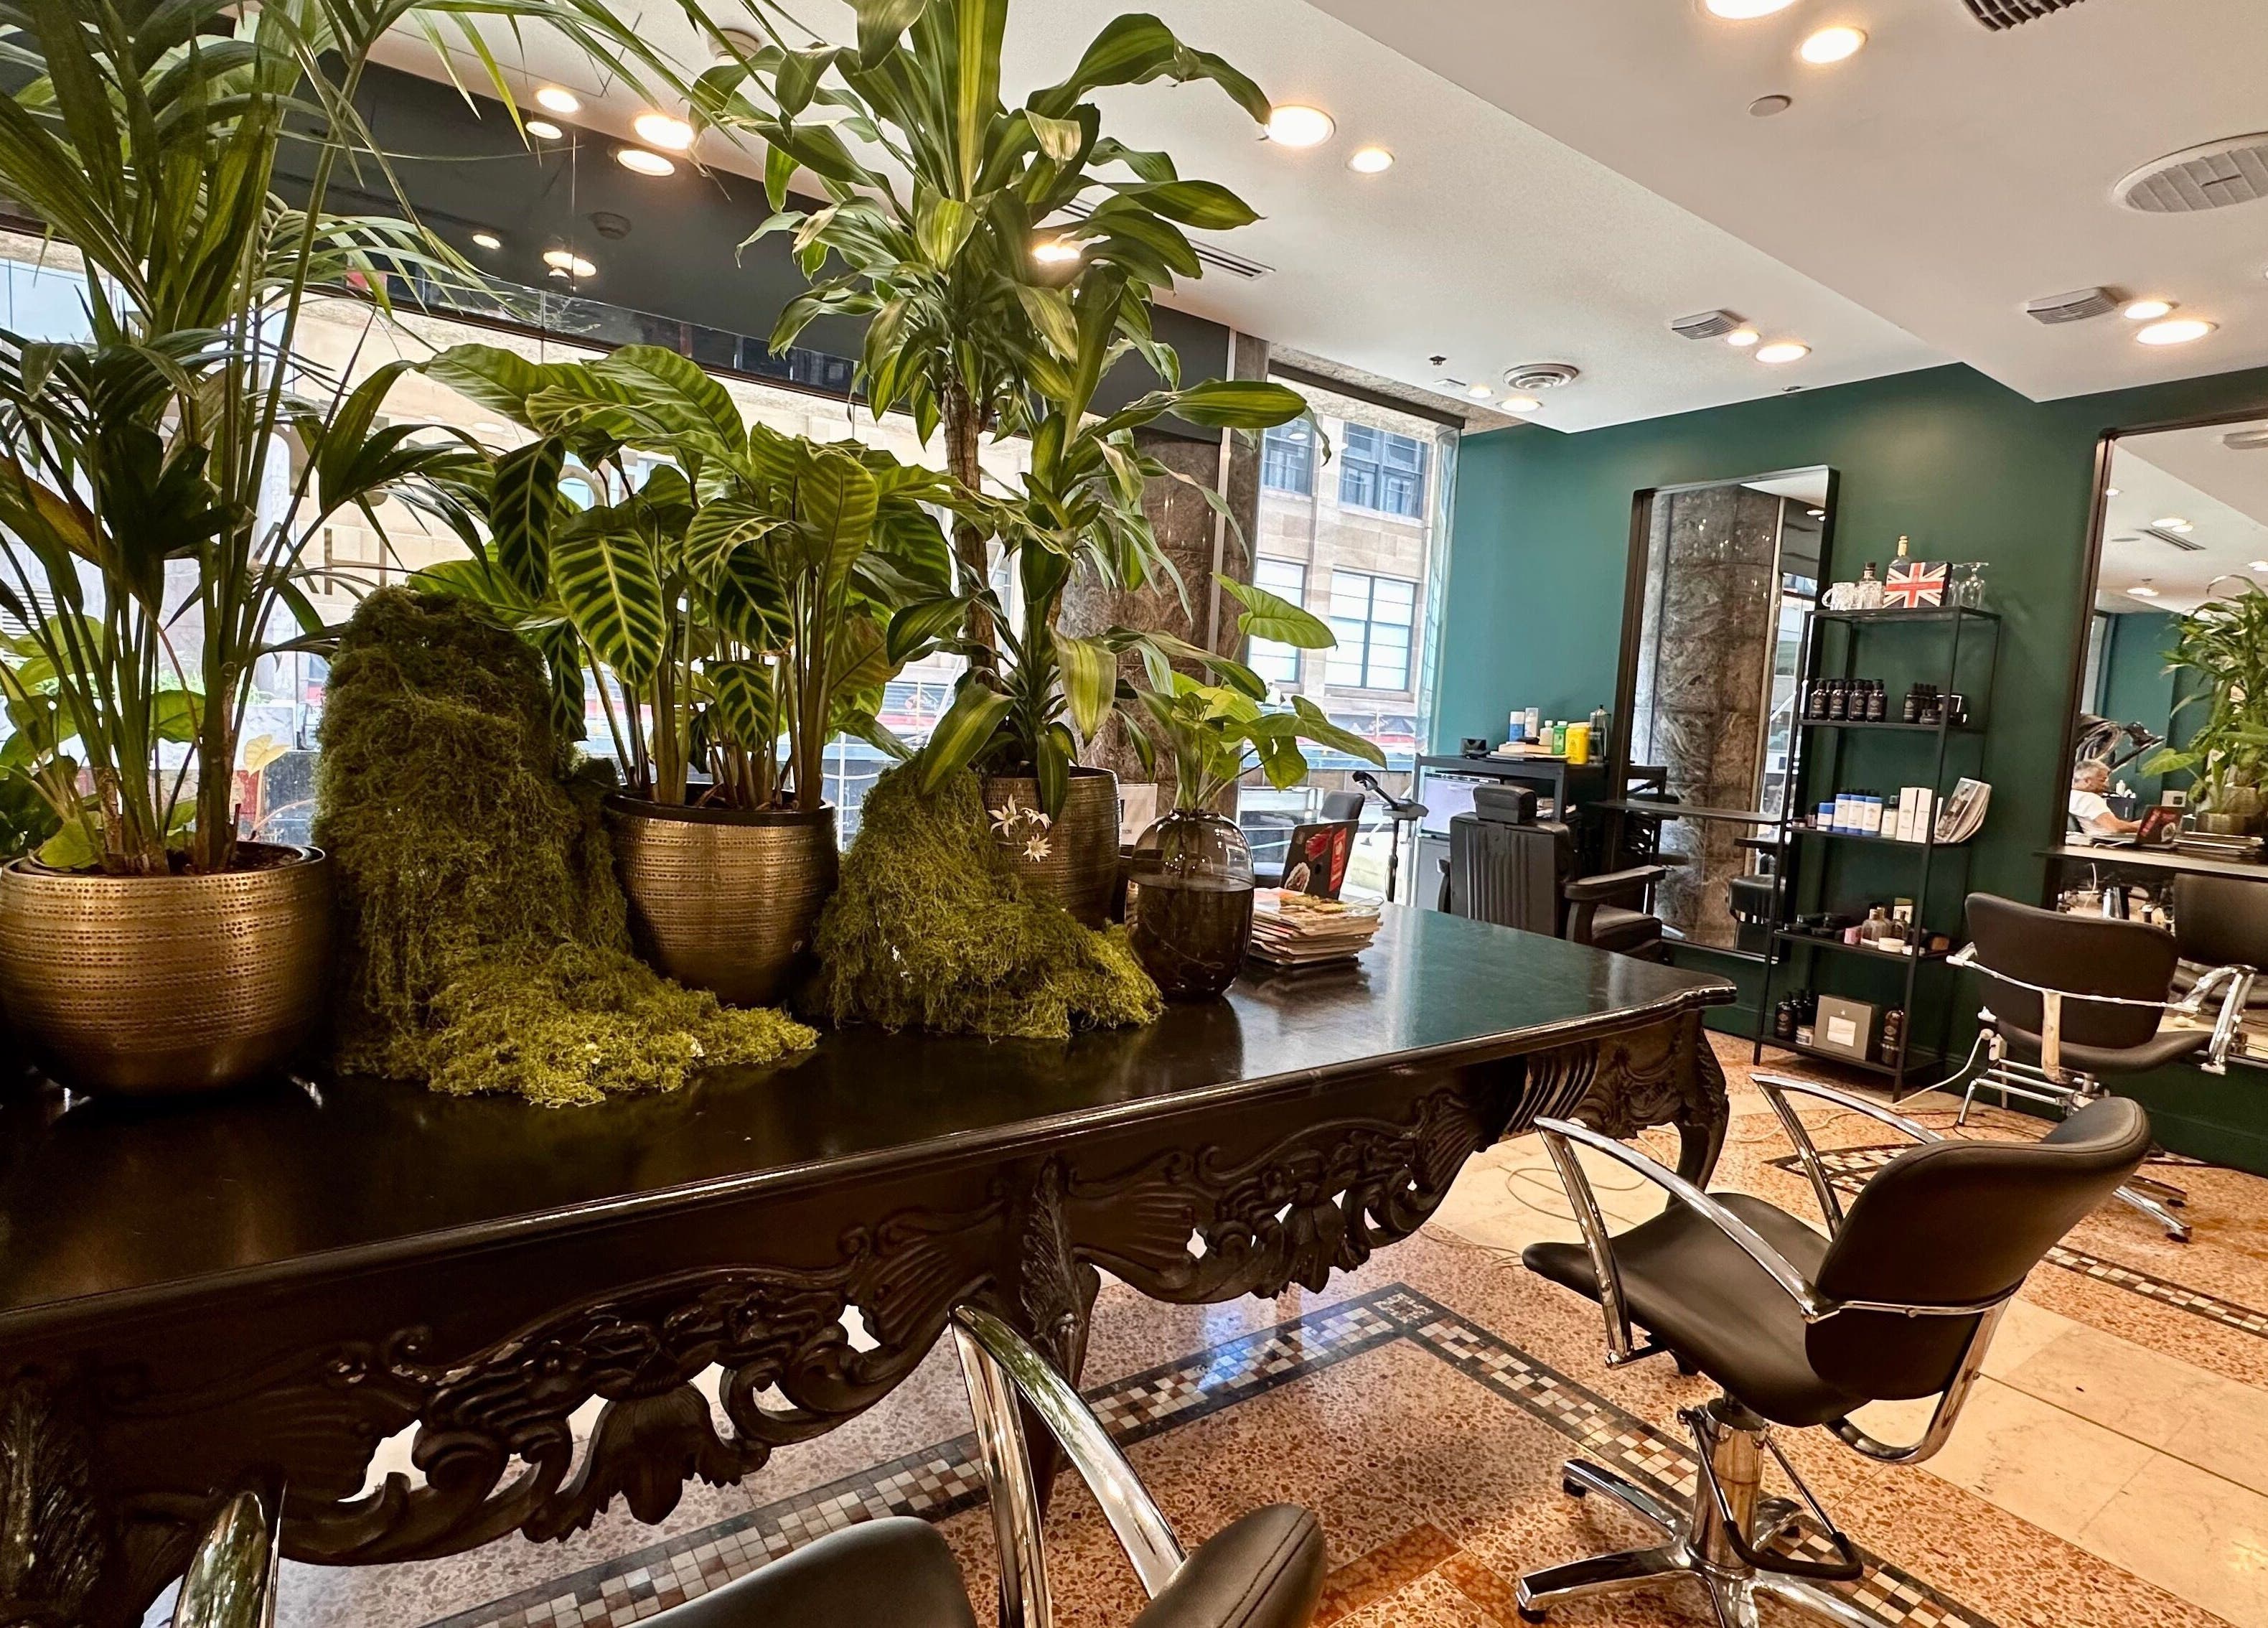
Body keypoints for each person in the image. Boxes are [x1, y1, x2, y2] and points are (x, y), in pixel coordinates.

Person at [2070, 759, 2141, 838]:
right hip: (2106, 843)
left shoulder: (2072, 796)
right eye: (2102, 780)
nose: (2106, 785)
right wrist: (2144, 826)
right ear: (2087, 781)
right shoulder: (2090, 798)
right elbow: (2116, 827)